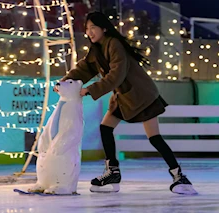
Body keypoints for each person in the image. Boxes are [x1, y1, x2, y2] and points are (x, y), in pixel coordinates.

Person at [54, 11, 197, 195]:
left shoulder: (114, 44)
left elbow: (116, 74)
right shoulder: (97, 49)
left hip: (141, 95)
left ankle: (179, 176)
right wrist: (64, 82)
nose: (89, 32)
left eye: (93, 28)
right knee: (105, 128)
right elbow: (84, 68)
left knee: (154, 138)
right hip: (122, 97)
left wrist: (90, 89)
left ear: (104, 28)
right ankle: (112, 171)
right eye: (87, 29)